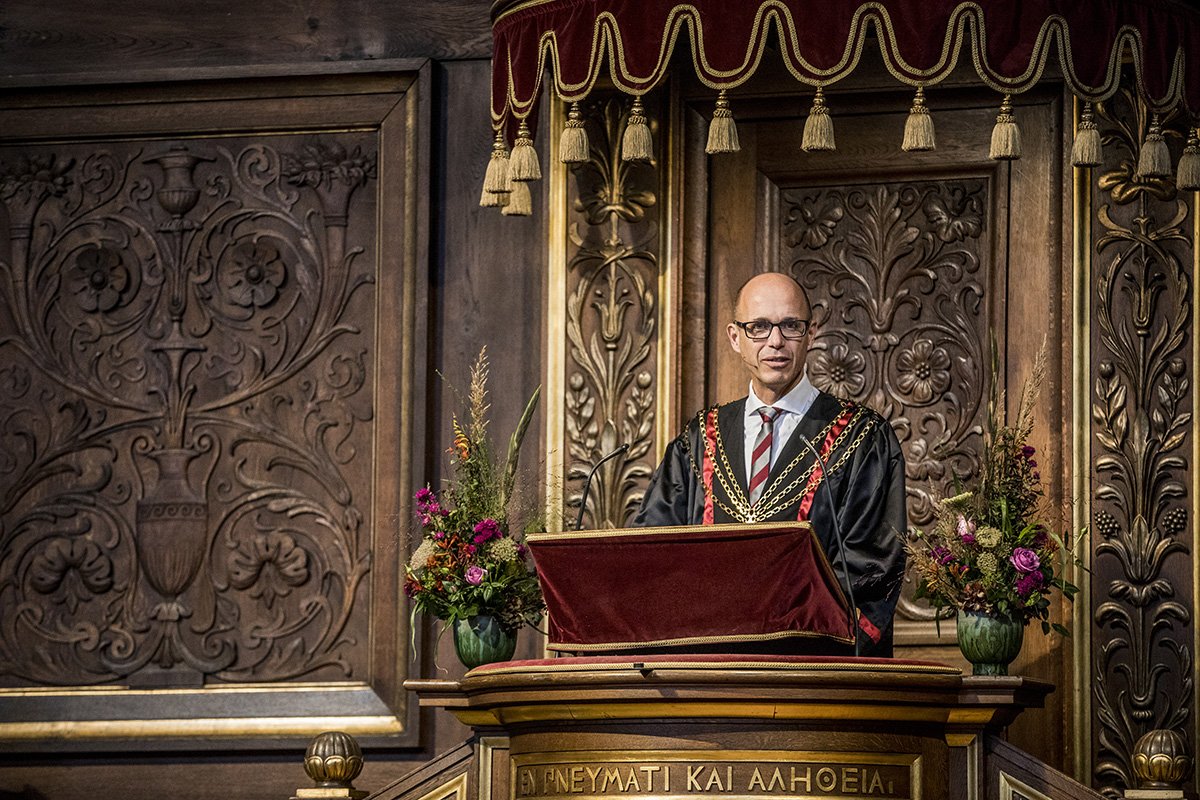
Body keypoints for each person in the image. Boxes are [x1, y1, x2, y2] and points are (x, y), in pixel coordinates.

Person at [634, 272, 907, 656]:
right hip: (706, 670)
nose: (775, 341)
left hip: (808, 670)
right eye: (759, 327)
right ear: (735, 337)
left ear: (811, 333)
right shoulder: (699, 440)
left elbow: (872, 567)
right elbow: (655, 551)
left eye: (790, 326)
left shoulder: (861, 437)